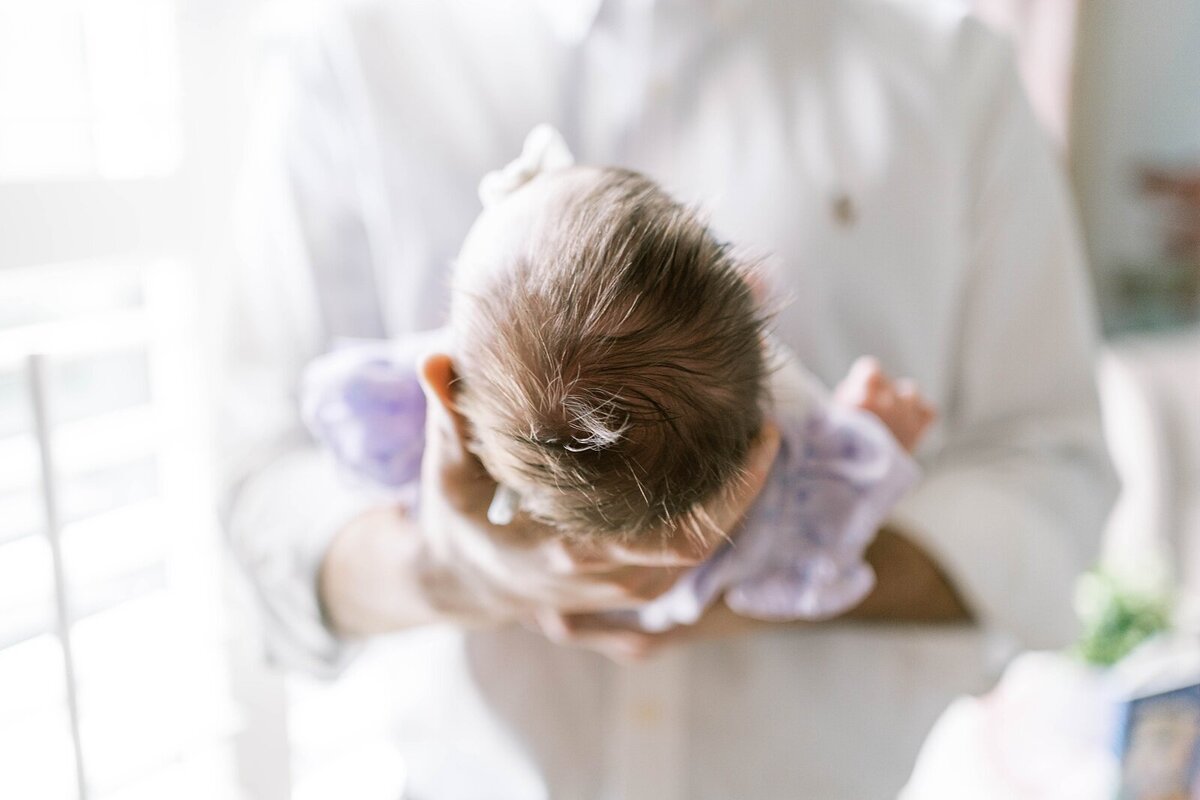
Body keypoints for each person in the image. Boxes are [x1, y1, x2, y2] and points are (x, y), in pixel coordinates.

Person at [222, 1, 1117, 796]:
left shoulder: (951, 72)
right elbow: (266, 506)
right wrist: (456, 568)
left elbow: (1052, 484)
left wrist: (785, 555)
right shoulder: (353, 51)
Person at [301, 145, 935, 632]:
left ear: (445, 388)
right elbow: (839, 504)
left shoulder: (437, 393)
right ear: (743, 287)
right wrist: (873, 428)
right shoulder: (795, 469)